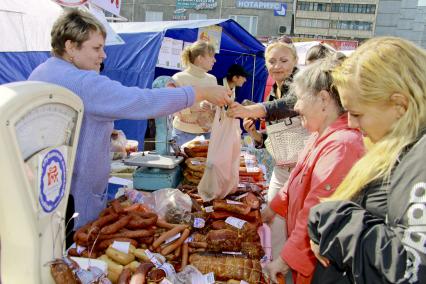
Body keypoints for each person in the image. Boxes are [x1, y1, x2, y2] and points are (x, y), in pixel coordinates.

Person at [28, 9, 232, 229]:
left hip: (48, 191)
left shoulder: (42, 71)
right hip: (76, 198)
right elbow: (140, 101)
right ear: (70, 47)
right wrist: (198, 93)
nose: (103, 55)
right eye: (96, 48)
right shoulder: (82, 81)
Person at [308, 37, 426, 283]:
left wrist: (333, 221)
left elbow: (410, 268)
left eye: (357, 113)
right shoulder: (397, 146)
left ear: (400, 105)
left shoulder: (420, 159)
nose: (351, 123)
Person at [261, 55, 365, 283]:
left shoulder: (342, 144)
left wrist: (284, 260)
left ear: (324, 99)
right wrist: (273, 208)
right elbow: (295, 180)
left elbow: (318, 208)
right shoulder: (319, 136)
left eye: (299, 99)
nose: (297, 107)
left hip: (320, 264)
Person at [171, 40, 219, 146]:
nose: (215, 60)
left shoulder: (212, 79)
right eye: (211, 56)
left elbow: (216, 105)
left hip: (208, 133)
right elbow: (172, 106)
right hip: (184, 134)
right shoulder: (178, 78)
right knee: (183, 162)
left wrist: (211, 105)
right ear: (200, 58)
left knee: (206, 163)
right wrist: (195, 106)